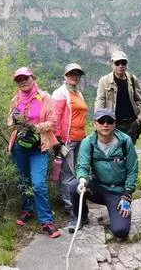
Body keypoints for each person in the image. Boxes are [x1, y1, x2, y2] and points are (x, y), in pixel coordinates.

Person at [8, 67, 62, 238]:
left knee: (38, 183)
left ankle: (46, 221)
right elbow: (9, 122)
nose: (23, 81)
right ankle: (28, 209)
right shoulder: (16, 100)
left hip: (39, 147)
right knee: (23, 180)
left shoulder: (46, 98)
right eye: (19, 79)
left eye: (26, 78)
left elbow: (53, 121)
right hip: (20, 147)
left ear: (33, 78)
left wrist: (34, 128)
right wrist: (14, 120)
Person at [68, 108, 139, 238]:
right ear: (95, 123)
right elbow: (82, 166)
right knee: (74, 185)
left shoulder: (125, 141)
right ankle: (81, 217)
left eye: (109, 121)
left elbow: (132, 169)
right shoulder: (88, 142)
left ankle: (116, 210)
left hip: (118, 192)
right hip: (98, 188)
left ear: (114, 123)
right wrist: (82, 180)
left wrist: (127, 193)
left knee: (120, 231)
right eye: (101, 121)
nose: (105, 124)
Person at [52, 62, 89, 214]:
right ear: (65, 76)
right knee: (68, 173)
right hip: (67, 140)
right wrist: (58, 140)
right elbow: (55, 117)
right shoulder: (60, 93)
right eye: (71, 74)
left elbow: (81, 116)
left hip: (80, 139)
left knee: (79, 171)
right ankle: (70, 206)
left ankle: (77, 200)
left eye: (77, 74)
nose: (75, 76)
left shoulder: (78, 93)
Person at [95, 50, 141, 144]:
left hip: (132, 124)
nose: (120, 66)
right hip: (114, 124)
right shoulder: (104, 81)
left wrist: (139, 120)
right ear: (112, 64)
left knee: (129, 150)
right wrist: (100, 122)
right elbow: (100, 102)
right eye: (117, 63)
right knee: (114, 150)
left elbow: (140, 101)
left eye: (123, 63)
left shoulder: (132, 79)